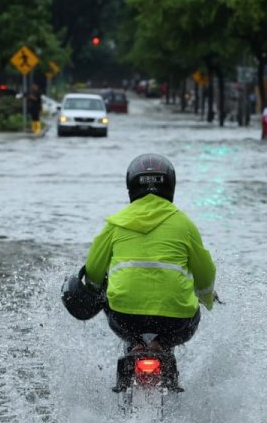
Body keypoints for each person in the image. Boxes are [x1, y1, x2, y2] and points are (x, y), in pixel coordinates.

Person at [82, 154, 216, 378]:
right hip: (176, 321)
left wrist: (96, 288)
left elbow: (93, 274)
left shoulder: (115, 223)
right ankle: (160, 345)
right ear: (171, 186)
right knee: (193, 313)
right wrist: (207, 297)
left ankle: (135, 345)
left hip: (125, 317)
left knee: (107, 298)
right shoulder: (184, 224)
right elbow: (205, 273)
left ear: (131, 187)